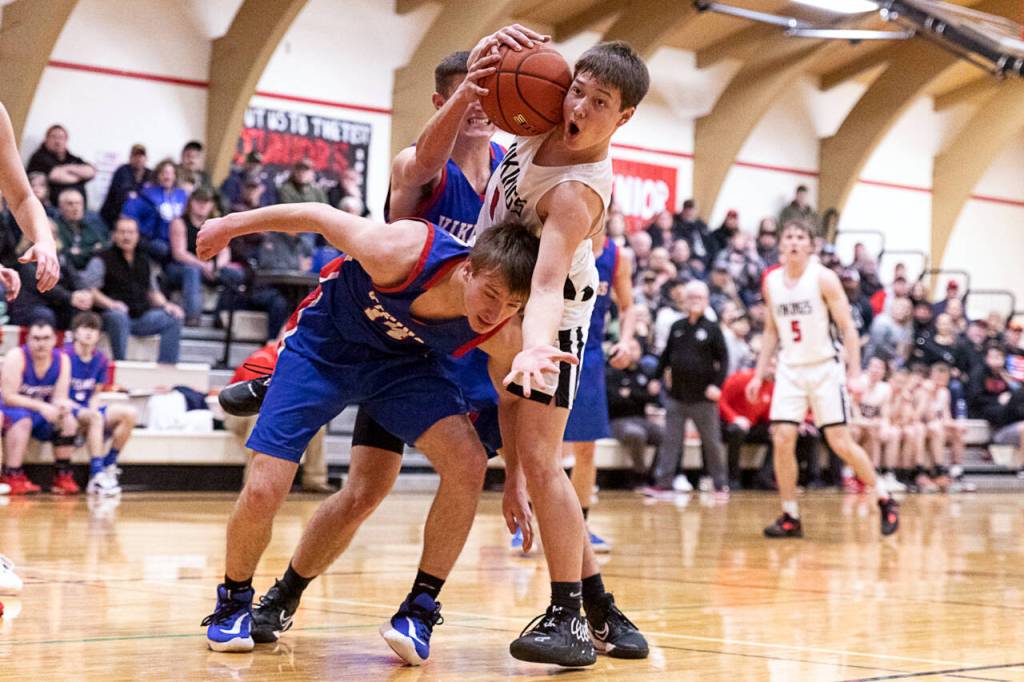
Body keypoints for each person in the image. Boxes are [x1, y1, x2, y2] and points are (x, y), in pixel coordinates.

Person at [193, 198, 555, 655]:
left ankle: (419, 611)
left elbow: (510, 401)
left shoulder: (503, 331)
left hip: (402, 367)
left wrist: (515, 480)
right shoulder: (401, 250)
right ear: (467, 270)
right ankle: (233, 601)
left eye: (511, 305)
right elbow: (317, 215)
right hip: (324, 348)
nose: (495, 311)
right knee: (266, 487)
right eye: (490, 294)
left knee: (466, 463)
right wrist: (228, 224)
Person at [476, 35, 651, 666]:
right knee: (529, 459)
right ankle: (601, 606)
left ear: (623, 117)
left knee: (543, 464)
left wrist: (535, 347)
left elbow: (550, 282)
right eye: (577, 88)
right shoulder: (544, 112)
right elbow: (493, 84)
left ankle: (569, 615)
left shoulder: (578, 190)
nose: (578, 105)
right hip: (505, 297)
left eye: (598, 101)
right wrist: (496, 47)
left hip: (555, 323)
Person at [747, 220, 899, 538]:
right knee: (782, 438)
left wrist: (854, 373)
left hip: (824, 368)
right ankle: (790, 515)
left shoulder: (823, 278)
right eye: (788, 236)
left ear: (810, 245)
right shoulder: (772, 281)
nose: (793, 242)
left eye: (800, 237)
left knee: (840, 443)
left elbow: (847, 327)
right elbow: (772, 330)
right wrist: (759, 374)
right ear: (780, 244)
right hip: (790, 368)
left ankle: (884, 496)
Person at [562, 233, 635, 552]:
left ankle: (580, 526)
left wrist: (627, 340)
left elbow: (628, 306)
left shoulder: (617, 256)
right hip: (554, 345)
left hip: (589, 356)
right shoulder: (560, 239)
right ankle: (532, 522)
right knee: (543, 447)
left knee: (586, 448)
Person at [647, 281, 729, 494]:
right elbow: (666, 356)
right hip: (677, 396)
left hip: (703, 398)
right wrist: (656, 378)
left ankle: (720, 484)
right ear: (684, 301)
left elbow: (724, 360)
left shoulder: (712, 328)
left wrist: (716, 385)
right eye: (691, 298)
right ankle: (663, 483)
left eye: (698, 298)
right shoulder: (677, 326)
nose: (694, 301)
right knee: (670, 442)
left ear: (706, 302)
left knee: (712, 443)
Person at [85, 217, 183, 363]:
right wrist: (111, 304)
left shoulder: (144, 260)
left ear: (137, 236)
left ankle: (166, 368)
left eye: (131, 232)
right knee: (118, 316)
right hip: (110, 316)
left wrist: (166, 305)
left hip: (141, 316)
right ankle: (121, 364)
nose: (126, 236)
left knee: (173, 318)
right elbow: (90, 289)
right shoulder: (101, 258)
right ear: (114, 235)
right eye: (122, 232)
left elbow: (152, 291)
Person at [0, 319, 79, 495]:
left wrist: (62, 406)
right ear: (27, 339)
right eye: (36, 338)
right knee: (23, 419)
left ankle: (62, 474)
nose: (41, 343)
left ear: (54, 340)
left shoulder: (63, 359)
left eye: (45, 338)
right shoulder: (16, 356)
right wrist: (42, 406)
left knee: (68, 420)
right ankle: (12, 473)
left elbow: (60, 397)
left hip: (40, 411)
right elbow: (8, 397)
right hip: (12, 409)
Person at [63, 312, 136, 495]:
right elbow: (60, 393)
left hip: (87, 410)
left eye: (93, 329)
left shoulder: (101, 359)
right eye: (84, 328)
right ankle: (96, 476)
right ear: (75, 332)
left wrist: (92, 411)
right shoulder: (64, 356)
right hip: (67, 407)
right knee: (95, 417)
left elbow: (96, 393)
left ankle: (109, 463)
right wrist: (88, 414)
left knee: (129, 413)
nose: (89, 333)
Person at [165, 187, 237, 326]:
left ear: (212, 205)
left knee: (235, 275)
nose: (203, 205)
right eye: (199, 201)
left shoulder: (216, 224)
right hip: (181, 268)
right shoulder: (179, 222)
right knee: (192, 271)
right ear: (191, 202)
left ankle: (220, 318)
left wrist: (215, 266)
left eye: (207, 201)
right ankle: (192, 317)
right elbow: (179, 253)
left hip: (210, 267)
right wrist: (203, 266)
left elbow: (225, 252)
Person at [719, 362, 774, 491]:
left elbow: (766, 413)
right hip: (729, 425)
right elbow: (720, 399)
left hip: (752, 426)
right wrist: (734, 418)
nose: (773, 370)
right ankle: (733, 479)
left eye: (775, 366)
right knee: (737, 431)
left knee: (779, 434)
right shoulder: (742, 378)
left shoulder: (771, 386)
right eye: (770, 365)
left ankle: (764, 477)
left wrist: (774, 424)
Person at [121, 159, 188, 263]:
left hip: (178, 238)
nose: (167, 176)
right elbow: (129, 212)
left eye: (170, 173)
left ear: (175, 176)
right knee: (163, 249)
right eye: (164, 173)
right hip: (155, 238)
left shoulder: (182, 195)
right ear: (158, 175)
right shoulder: (148, 194)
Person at [26, 124, 95, 208]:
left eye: (61, 137)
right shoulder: (39, 158)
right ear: (46, 139)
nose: (58, 141)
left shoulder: (71, 158)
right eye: (54, 137)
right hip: (51, 210)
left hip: (80, 211)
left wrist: (67, 168)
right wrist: (80, 176)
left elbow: (91, 172)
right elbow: (56, 176)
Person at [55, 188, 109, 271]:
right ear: (60, 207)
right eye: (70, 204)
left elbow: (105, 246)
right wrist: (93, 249)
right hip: (66, 273)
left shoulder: (90, 224)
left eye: (78, 203)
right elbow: (67, 256)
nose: (75, 207)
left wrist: (81, 252)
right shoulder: (55, 227)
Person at [100, 143, 151, 228]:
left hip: (139, 220)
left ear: (146, 158)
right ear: (130, 158)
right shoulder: (122, 171)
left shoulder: (150, 174)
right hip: (113, 219)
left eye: (141, 156)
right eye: (135, 156)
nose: (138, 159)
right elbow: (126, 194)